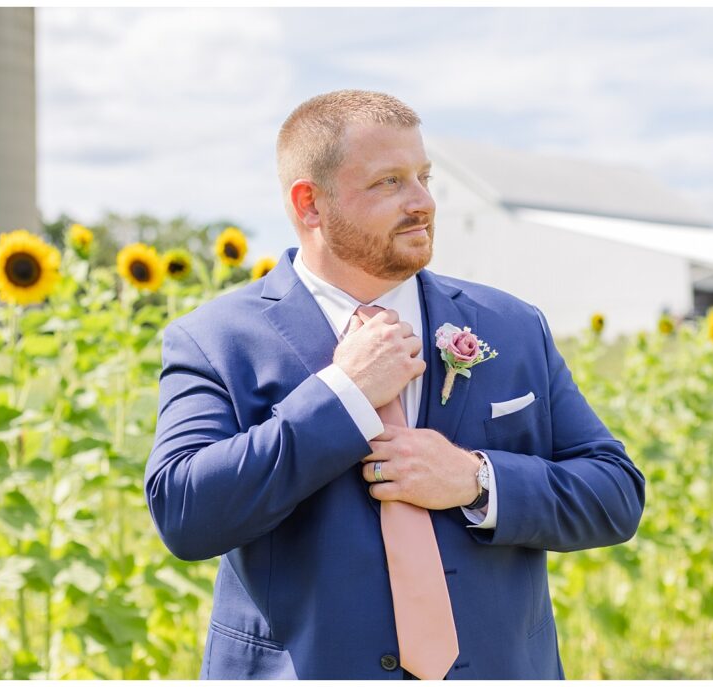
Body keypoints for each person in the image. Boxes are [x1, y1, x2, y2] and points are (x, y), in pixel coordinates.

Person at [144, 90, 646, 680]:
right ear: (310, 204)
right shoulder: (214, 340)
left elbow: (615, 495)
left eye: (424, 177)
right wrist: (343, 396)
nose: (423, 202)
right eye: (389, 183)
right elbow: (185, 513)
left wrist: (475, 480)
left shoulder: (512, 325)